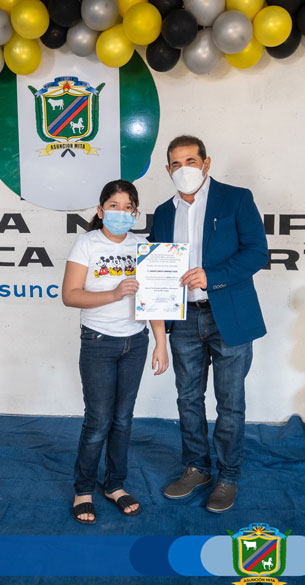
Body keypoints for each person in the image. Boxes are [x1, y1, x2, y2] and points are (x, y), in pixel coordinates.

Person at [148, 135, 268, 513]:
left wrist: (211, 276)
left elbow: (257, 253)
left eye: (190, 161)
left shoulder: (236, 199)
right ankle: (197, 468)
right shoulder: (162, 213)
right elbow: (155, 269)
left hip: (227, 314)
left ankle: (228, 476)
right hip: (183, 318)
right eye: (176, 163)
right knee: (187, 398)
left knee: (229, 402)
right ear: (168, 170)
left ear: (206, 163)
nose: (183, 169)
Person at [62, 179, 169, 525]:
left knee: (123, 419)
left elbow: (154, 299)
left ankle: (115, 485)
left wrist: (161, 342)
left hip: (135, 342)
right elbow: (70, 295)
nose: (121, 213)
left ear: (135, 213)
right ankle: (83, 489)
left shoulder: (144, 246)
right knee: (98, 421)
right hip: (99, 341)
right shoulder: (87, 243)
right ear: (100, 210)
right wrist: (114, 293)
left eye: (128, 208)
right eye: (113, 206)